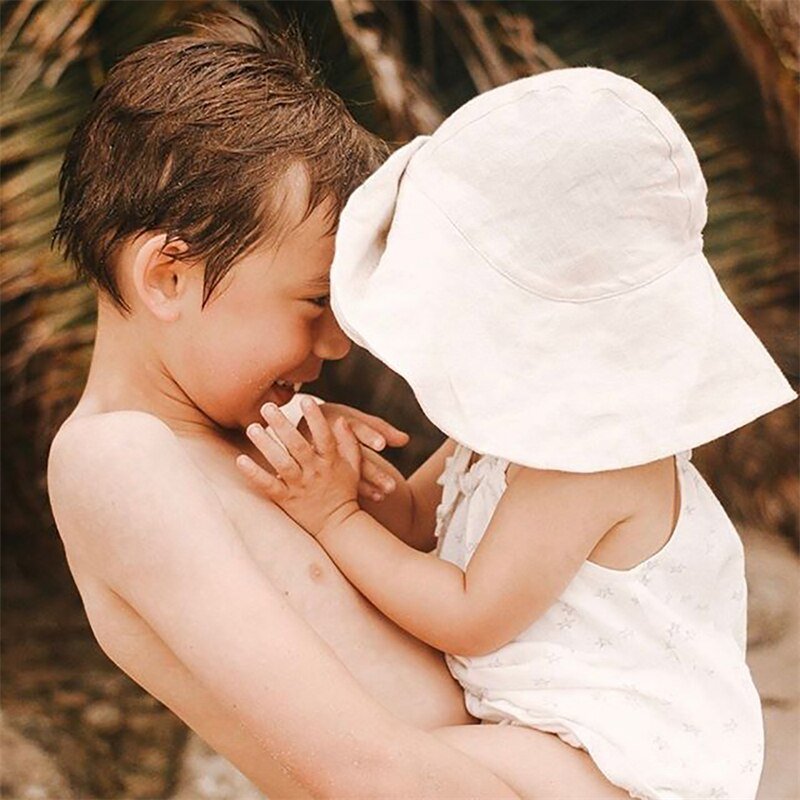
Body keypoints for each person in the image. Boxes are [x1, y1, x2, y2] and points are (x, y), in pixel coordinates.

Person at [45, 11, 625, 799]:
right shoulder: (116, 458)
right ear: (168, 278)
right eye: (315, 301)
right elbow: (359, 768)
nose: (338, 344)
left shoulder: (267, 451)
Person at [237, 68, 797, 799]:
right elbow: (415, 523)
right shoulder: (504, 430)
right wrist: (338, 469)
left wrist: (335, 519)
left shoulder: (593, 460)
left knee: (393, 768)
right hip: (542, 735)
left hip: (614, 767)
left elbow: (470, 616)